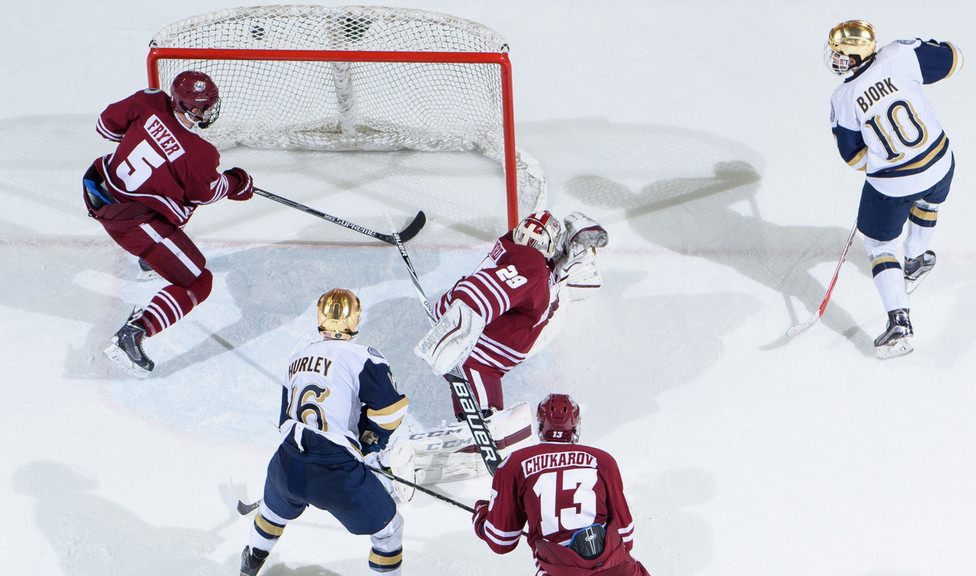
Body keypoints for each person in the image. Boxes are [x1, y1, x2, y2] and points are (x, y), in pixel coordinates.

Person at [83, 70, 255, 376]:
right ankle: (133, 334)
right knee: (198, 281)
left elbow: (105, 126)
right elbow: (207, 193)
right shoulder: (201, 154)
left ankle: (151, 261)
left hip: (101, 188)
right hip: (129, 220)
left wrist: (149, 136)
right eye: (203, 107)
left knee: (173, 198)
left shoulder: (148, 100)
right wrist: (237, 182)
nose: (208, 111)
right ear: (188, 107)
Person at [239, 288, 409, 576]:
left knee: (271, 511)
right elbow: (391, 412)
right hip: (336, 471)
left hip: (287, 460)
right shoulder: (363, 357)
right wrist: (369, 442)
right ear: (354, 319)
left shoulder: (298, 356)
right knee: (389, 531)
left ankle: (250, 563)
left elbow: (284, 419)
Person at [825, 20, 963, 359]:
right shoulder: (900, 54)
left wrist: (881, 168)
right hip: (941, 160)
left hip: (892, 182)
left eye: (841, 54)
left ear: (855, 57)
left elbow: (853, 156)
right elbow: (953, 59)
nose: (835, 58)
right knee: (928, 197)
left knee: (878, 243)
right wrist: (919, 46)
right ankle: (916, 260)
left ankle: (899, 322)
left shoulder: (843, 97)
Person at [413, 211, 609, 418]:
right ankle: (479, 423)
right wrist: (460, 324)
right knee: (483, 418)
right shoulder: (531, 265)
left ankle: (478, 427)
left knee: (493, 422)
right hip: (477, 352)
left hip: (488, 360)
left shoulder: (523, 257)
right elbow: (483, 292)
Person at [471, 393, 650, 576]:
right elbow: (626, 537)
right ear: (576, 426)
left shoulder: (514, 464)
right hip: (620, 570)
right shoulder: (603, 461)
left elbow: (501, 541)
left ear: (540, 426)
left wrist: (482, 514)